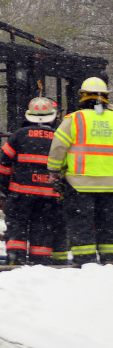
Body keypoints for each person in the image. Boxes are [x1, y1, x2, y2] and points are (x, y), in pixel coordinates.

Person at [48, 77, 113, 266]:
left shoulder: (74, 119)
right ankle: (110, 259)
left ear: (83, 96)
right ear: (105, 97)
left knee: (80, 223)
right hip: (110, 185)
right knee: (108, 224)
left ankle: (85, 261)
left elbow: (58, 147)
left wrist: (55, 170)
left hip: (79, 184)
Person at [0, 97, 67, 265]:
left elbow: (4, 163)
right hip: (48, 196)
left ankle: (16, 260)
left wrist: (6, 187)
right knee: (42, 228)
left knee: (17, 226)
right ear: (53, 116)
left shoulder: (19, 135)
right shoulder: (58, 137)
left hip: (21, 194)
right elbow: (65, 166)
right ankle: (39, 262)